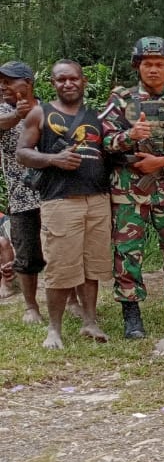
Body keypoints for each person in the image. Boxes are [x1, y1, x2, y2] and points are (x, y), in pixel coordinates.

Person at [100, 37, 164, 336]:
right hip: (129, 186)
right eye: (147, 64)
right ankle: (131, 313)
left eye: (159, 65)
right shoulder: (120, 99)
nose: (153, 70)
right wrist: (130, 135)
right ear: (137, 67)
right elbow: (103, 141)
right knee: (128, 250)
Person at [16, 60, 112, 349]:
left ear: (83, 81)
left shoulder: (96, 116)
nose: (68, 84)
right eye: (61, 80)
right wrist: (53, 159)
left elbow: (110, 151)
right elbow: (22, 152)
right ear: (53, 83)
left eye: (73, 79)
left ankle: (90, 322)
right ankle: (54, 330)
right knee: (60, 266)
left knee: (91, 265)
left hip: (96, 199)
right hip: (60, 200)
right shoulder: (39, 113)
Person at [0, 60, 50, 324]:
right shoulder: (3, 110)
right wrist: (18, 115)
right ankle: (31, 307)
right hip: (21, 196)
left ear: (28, 83)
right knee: (26, 252)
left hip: (55, 193)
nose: (3, 86)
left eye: (9, 81)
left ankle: (74, 301)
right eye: (1, 81)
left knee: (62, 250)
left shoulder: (50, 109)